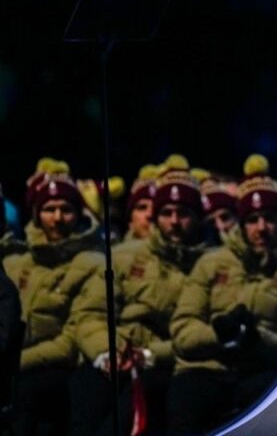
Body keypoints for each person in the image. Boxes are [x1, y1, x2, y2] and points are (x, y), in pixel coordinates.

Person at [167, 155, 277, 435]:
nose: (261, 228)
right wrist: (220, 333)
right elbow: (183, 332)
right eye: (252, 219)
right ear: (242, 224)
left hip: (261, 371)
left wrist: (255, 338)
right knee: (185, 401)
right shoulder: (211, 262)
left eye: (269, 219)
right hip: (204, 368)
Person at [70, 160, 207, 436]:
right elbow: (89, 314)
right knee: (84, 400)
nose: (175, 222)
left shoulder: (208, 265)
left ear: (198, 218)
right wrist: (106, 351)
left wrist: (149, 355)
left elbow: (200, 333)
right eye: (167, 213)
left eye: (183, 213)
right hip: (112, 357)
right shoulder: (123, 256)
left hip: (163, 364)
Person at [4, 164, 104, 435]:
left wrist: (15, 363)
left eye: (66, 209)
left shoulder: (92, 263)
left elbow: (70, 340)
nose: (57, 217)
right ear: (36, 214)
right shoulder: (15, 262)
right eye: (49, 209)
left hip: (56, 369)